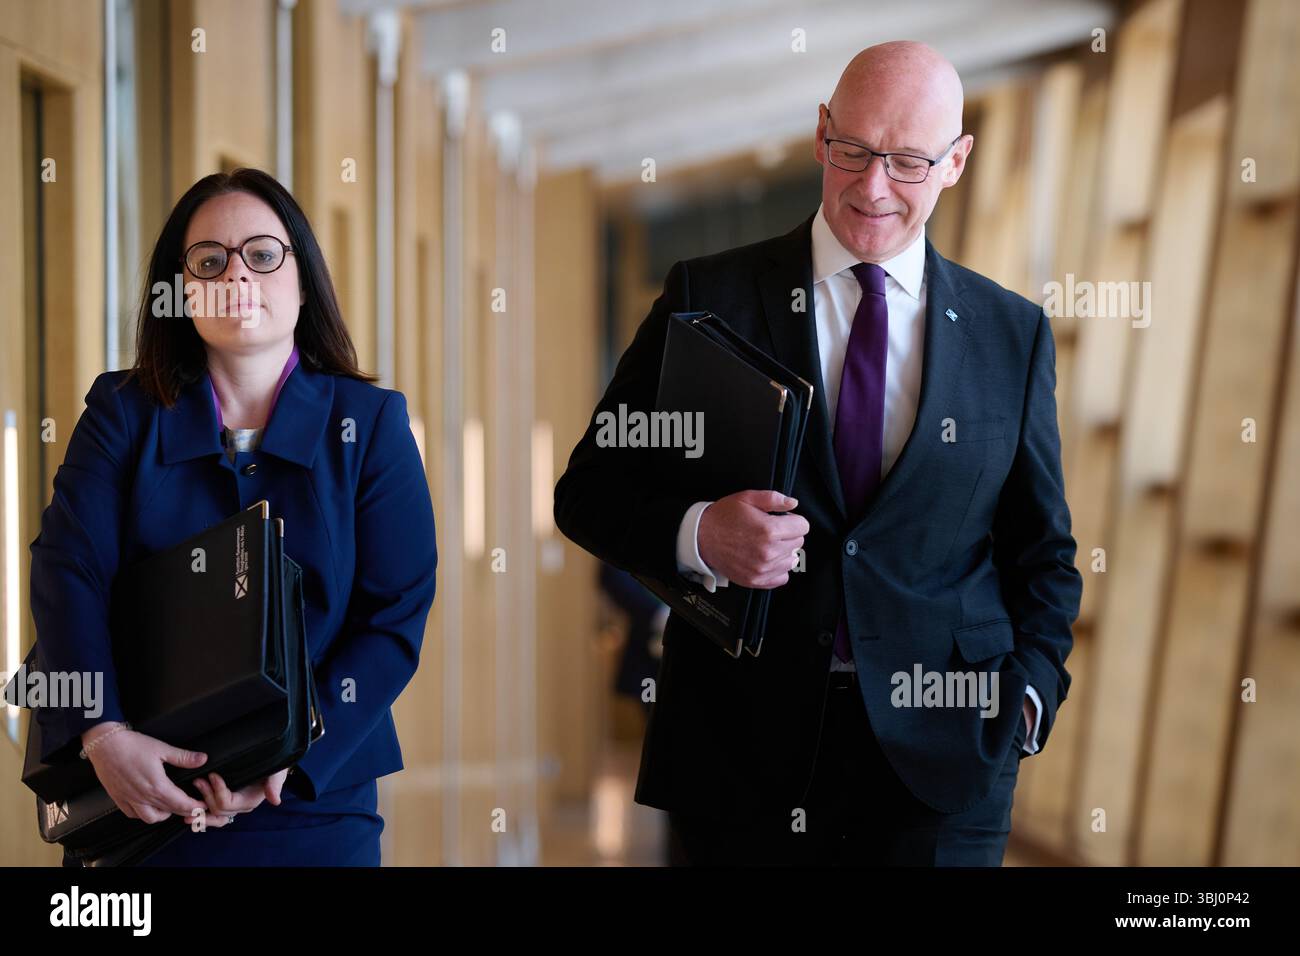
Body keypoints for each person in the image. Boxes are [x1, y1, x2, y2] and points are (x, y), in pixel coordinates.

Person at [553, 41, 1082, 865]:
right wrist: (699, 533)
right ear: (819, 134)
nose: (872, 187)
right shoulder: (709, 297)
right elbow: (588, 489)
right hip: (738, 752)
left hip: (946, 764)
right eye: (854, 151)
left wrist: (1029, 699)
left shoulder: (1011, 335)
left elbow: (1042, 552)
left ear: (957, 163)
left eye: (908, 162)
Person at [31, 167, 438, 866]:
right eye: (209, 261)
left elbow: (395, 612)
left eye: (262, 253)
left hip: (312, 801)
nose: (236, 276)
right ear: (180, 288)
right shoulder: (123, 413)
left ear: (302, 278)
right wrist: (101, 733)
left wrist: (289, 750)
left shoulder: (368, 424)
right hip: (139, 797)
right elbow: (70, 570)